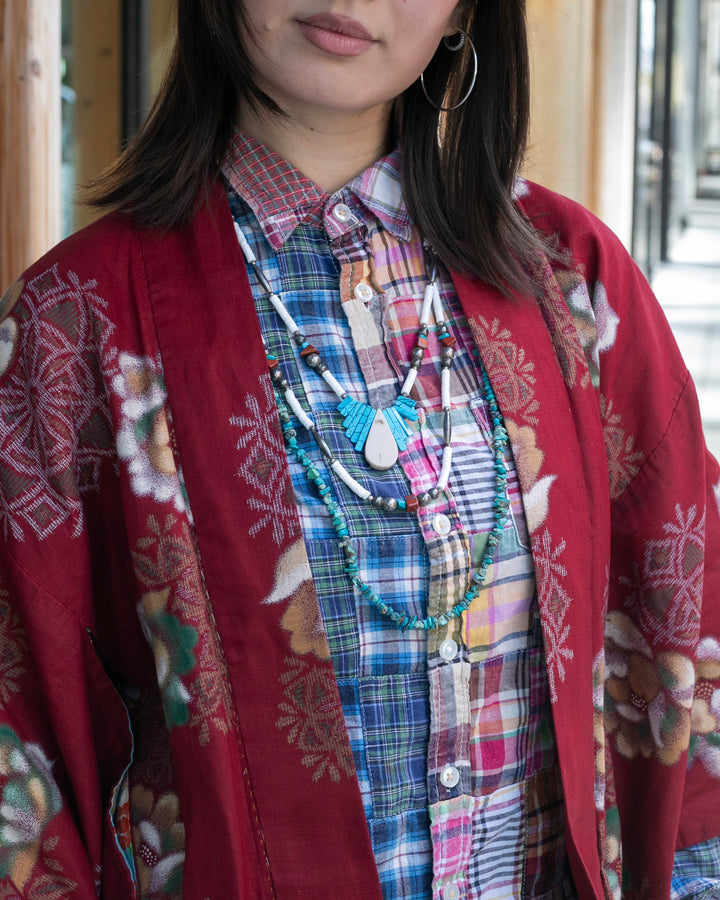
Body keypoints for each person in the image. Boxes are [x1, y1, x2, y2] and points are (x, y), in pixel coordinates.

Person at [0, 1, 718, 897]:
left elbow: (687, 622)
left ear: (463, 15)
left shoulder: (572, 278)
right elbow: (20, 734)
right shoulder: (74, 322)